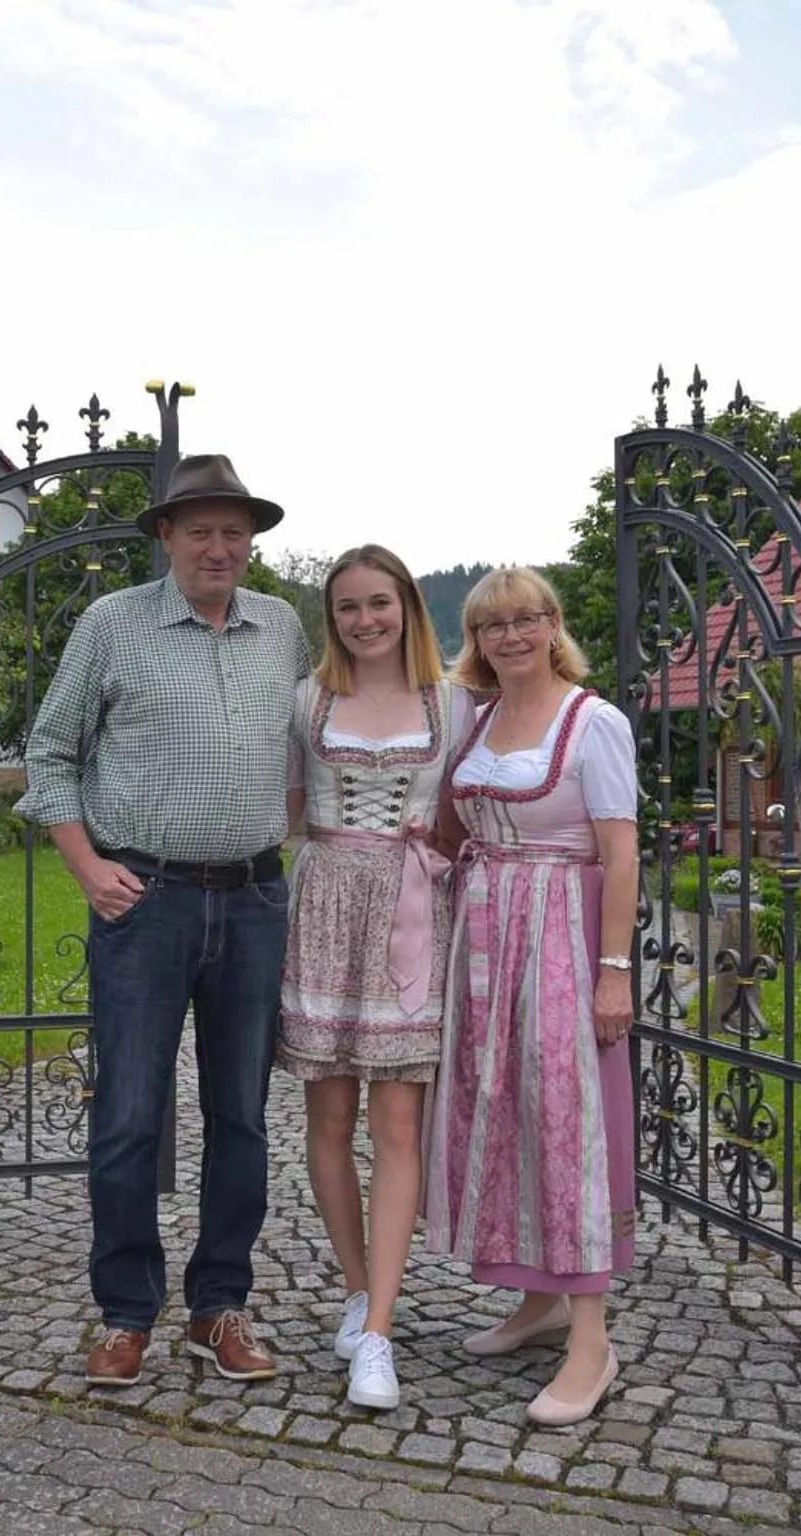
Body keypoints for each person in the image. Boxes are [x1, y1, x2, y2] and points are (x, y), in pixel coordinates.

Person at [18, 453, 308, 1390]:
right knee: (129, 1116)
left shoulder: (282, 628)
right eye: (200, 532)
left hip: (255, 900)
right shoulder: (112, 624)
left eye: (234, 533)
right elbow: (51, 753)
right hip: (145, 901)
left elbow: (309, 747)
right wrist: (85, 864)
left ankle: (219, 1306)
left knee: (242, 1117)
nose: (218, 548)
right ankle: (125, 1314)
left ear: (251, 541)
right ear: (167, 538)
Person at [422, 565, 640, 1427]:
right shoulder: (475, 721)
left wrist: (614, 970)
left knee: (564, 1120)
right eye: (490, 625)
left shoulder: (594, 721)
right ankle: (538, 1302)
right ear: (474, 639)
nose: (508, 637)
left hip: (560, 935)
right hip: (486, 939)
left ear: (553, 626)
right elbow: (451, 830)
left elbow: (620, 854)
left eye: (524, 620)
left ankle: (592, 1339)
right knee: (504, 1110)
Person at [278, 545, 456, 1411]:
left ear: (407, 607)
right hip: (323, 909)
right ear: (331, 618)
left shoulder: (452, 703)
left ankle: (378, 1331)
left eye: (378, 603)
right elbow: (282, 811)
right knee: (329, 1115)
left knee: (396, 1123)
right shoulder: (306, 700)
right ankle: (356, 1288)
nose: (363, 620)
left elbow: (468, 814)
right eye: (346, 607)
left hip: (411, 914)